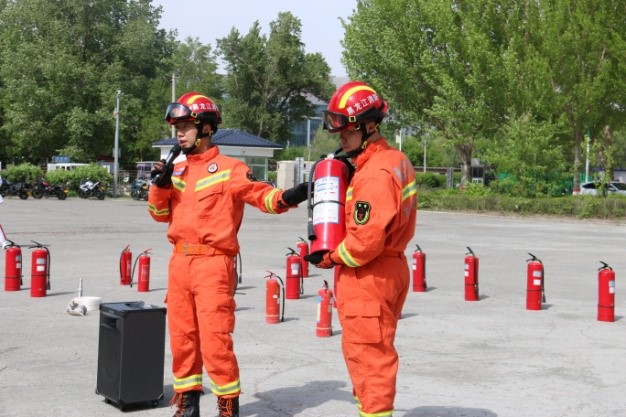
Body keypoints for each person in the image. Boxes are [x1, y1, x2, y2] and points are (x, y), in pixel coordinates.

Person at [148, 92, 308, 417]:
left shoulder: (230, 169)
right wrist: (159, 186)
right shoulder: (176, 171)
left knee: (215, 340)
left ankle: (227, 405)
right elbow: (159, 214)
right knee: (182, 338)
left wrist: (292, 195)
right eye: (177, 127)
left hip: (213, 264)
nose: (179, 133)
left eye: (186, 126)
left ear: (206, 128)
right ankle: (187, 404)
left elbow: (262, 196)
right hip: (179, 263)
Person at [305, 81, 417, 417]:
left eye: (348, 130)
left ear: (369, 126)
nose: (341, 137)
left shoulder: (374, 174)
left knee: (370, 360)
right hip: (386, 269)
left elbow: (364, 243)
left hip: (368, 275)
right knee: (367, 355)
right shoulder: (391, 160)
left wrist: (329, 257)